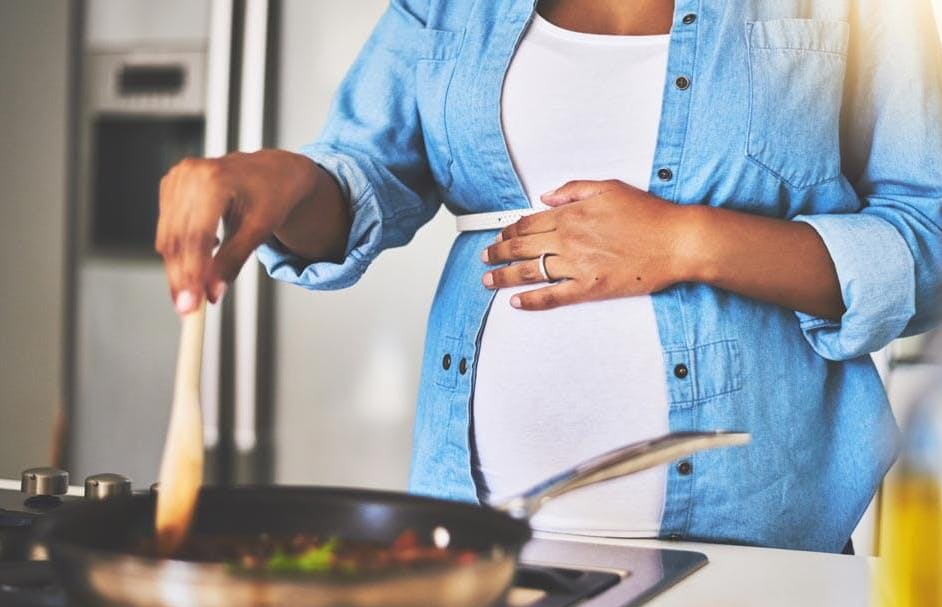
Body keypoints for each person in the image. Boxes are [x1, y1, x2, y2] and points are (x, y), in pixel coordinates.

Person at [156, 0, 942, 553]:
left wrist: (688, 241)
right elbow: (361, 177)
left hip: (757, 546)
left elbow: (927, 237)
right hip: (480, 544)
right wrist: (284, 180)